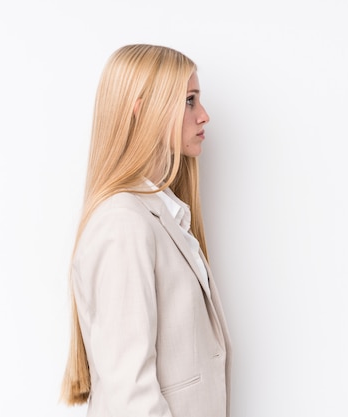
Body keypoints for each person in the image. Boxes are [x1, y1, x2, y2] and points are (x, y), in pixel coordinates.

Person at [60, 44, 232, 417]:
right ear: (142, 113)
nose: (204, 116)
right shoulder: (124, 223)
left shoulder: (163, 215)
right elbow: (130, 398)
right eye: (189, 101)